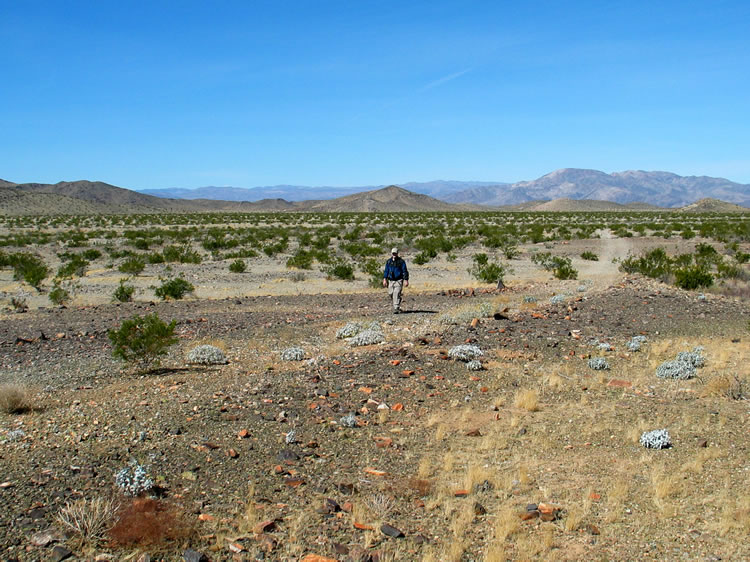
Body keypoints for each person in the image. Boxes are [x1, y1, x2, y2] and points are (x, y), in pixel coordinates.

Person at [382, 247, 409, 314]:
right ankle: (398, 300)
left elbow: (405, 271)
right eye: (393, 253)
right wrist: (385, 279)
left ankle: (396, 308)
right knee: (390, 293)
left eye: (395, 253)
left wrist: (406, 280)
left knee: (396, 292)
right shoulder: (388, 262)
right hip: (391, 280)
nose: (394, 254)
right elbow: (386, 271)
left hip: (399, 280)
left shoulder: (401, 262)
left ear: (397, 253)